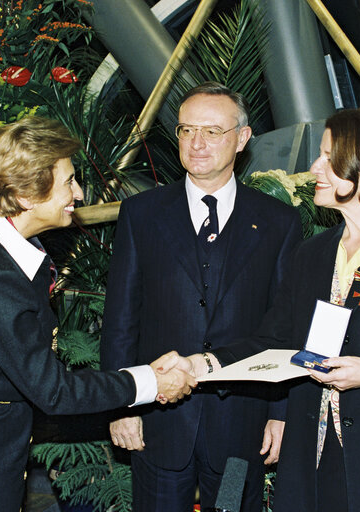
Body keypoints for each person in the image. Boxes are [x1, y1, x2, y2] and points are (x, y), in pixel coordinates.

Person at [0, 116, 196, 512]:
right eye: (69, 182)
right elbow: (54, 391)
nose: (78, 193)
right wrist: (150, 382)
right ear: (26, 195)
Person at [174, 107, 360, 511]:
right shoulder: (313, 253)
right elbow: (273, 340)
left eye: (328, 158)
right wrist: (201, 365)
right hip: (316, 456)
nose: (315, 167)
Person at [100, 82, 303, 512]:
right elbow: (121, 318)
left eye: (212, 131)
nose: (197, 143)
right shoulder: (141, 214)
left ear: (242, 139)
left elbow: (284, 327)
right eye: (187, 130)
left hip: (241, 425)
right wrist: (121, 404)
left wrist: (281, 413)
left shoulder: (278, 223)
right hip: (158, 421)